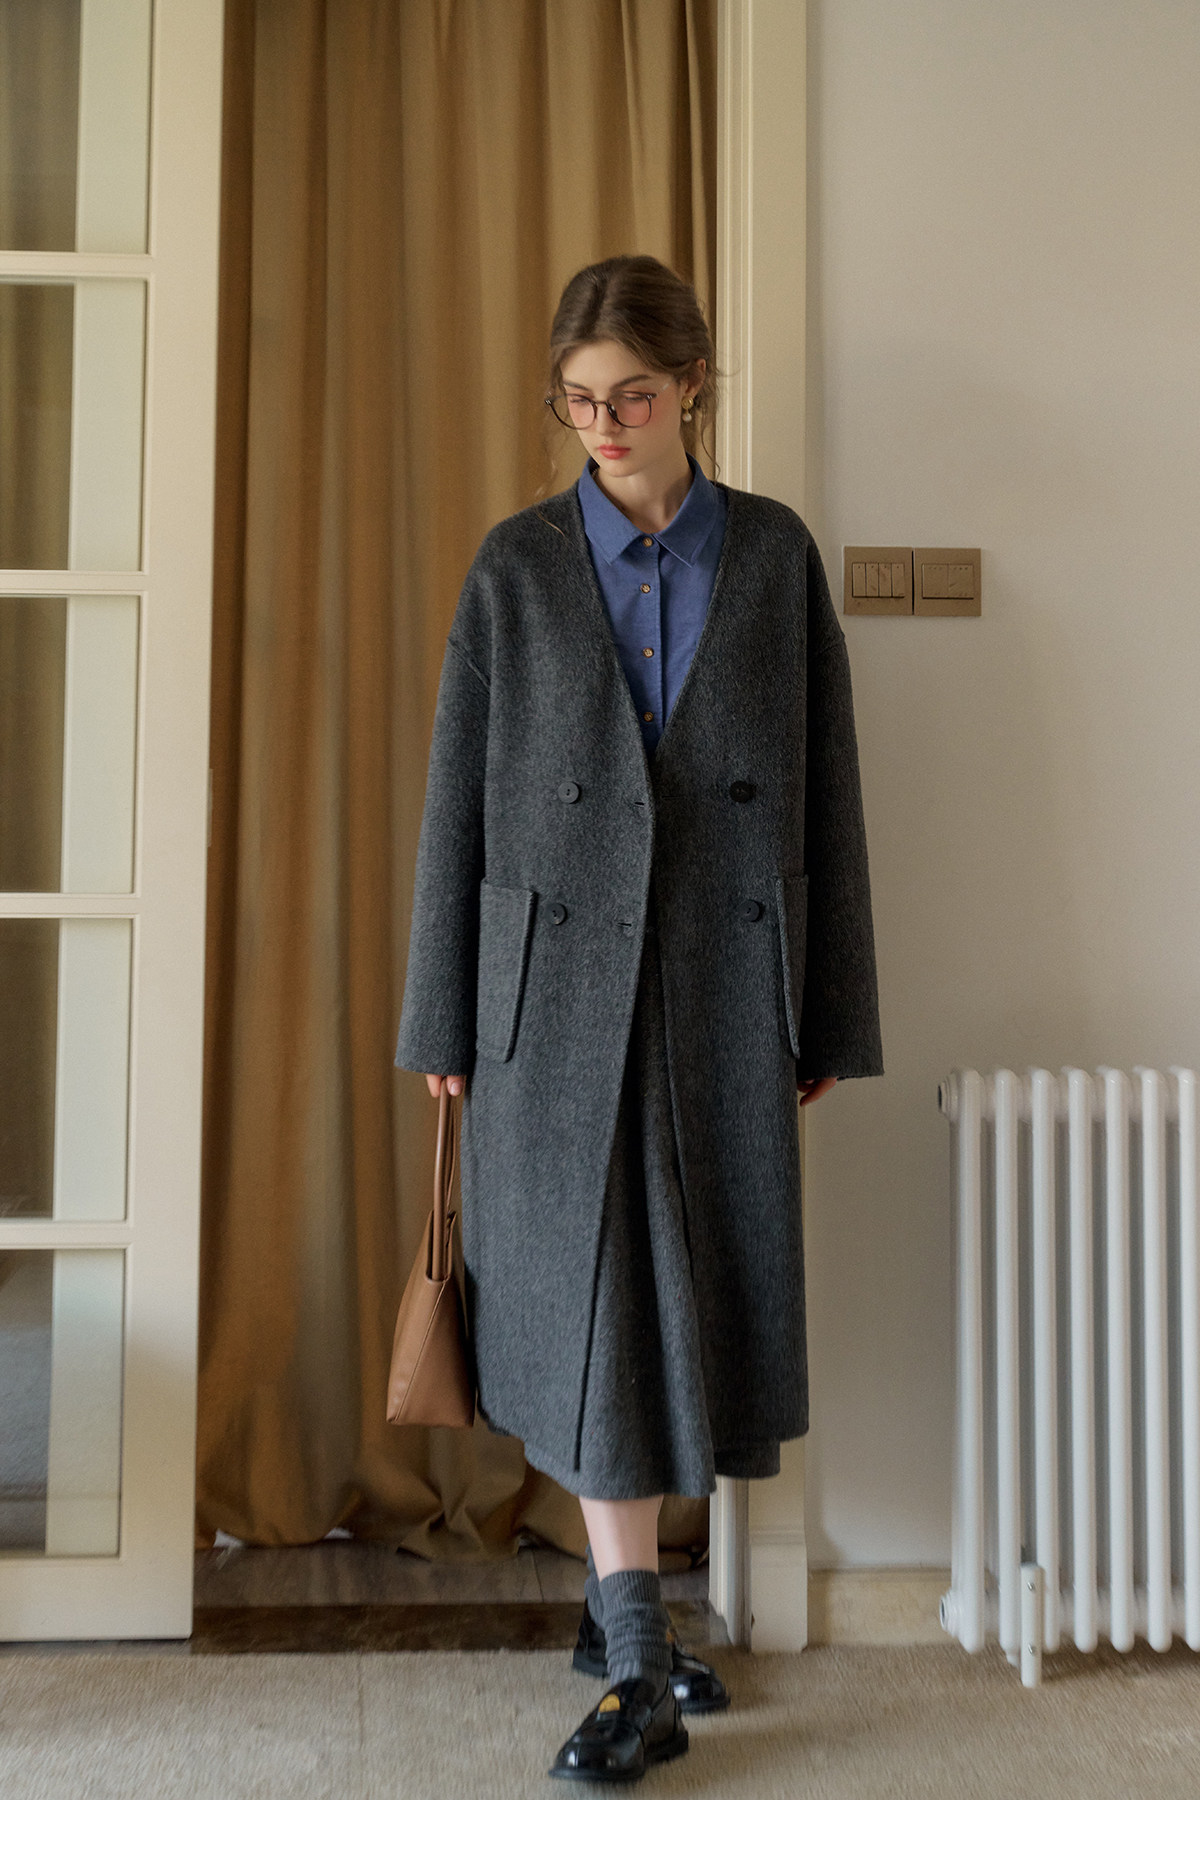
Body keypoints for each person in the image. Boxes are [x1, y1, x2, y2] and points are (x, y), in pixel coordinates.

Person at [395, 254, 883, 1783]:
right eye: (577, 400)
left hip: (729, 981)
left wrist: (827, 1009)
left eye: (633, 396)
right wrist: (442, 1017)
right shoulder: (515, 568)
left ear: (693, 389)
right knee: (592, 1306)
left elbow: (828, 792)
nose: (604, 426)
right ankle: (634, 1649)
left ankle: (627, 1622)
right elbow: (457, 805)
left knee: (705, 1296)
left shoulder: (776, 557)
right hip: (549, 996)